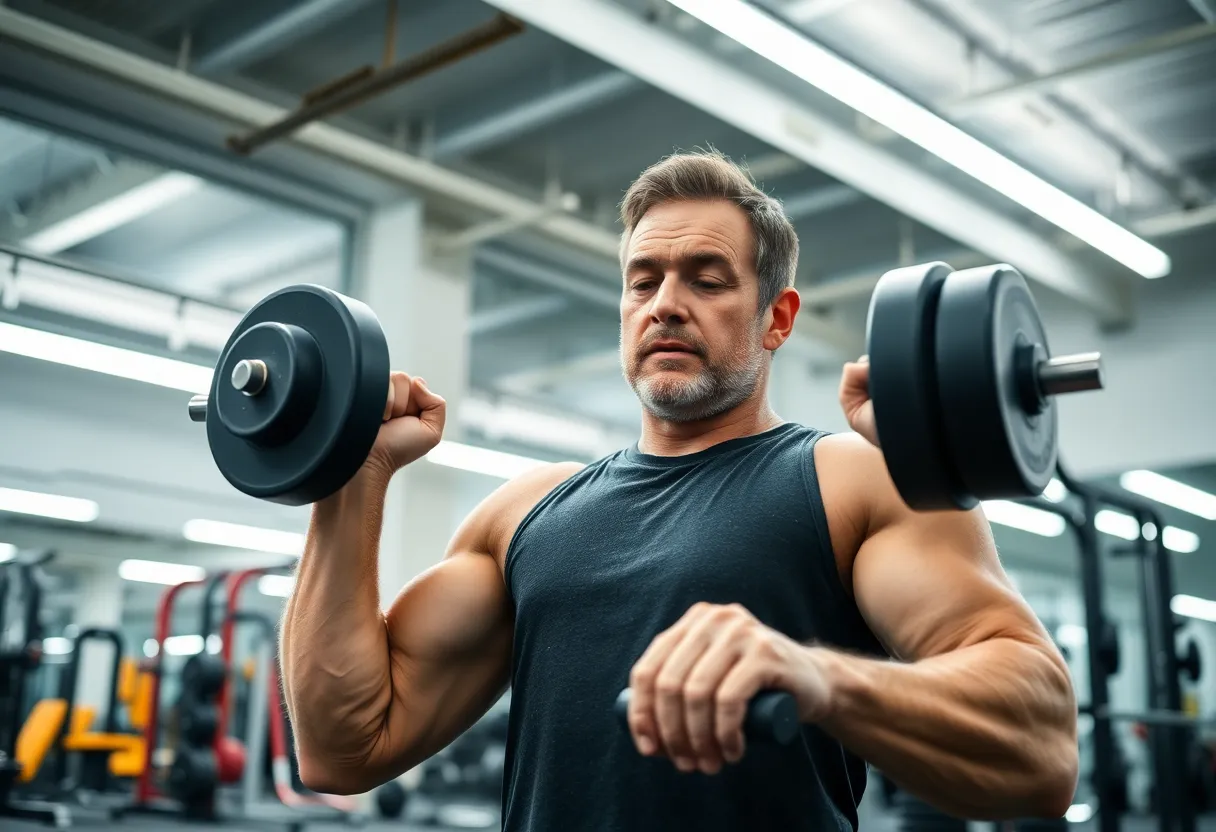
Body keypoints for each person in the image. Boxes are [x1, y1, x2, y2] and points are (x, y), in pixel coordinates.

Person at [279, 150, 1078, 830]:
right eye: (643, 280)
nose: (665, 303)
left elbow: (1041, 751)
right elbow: (343, 747)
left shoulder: (849, 479)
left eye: (707, 279)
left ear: (776, 318)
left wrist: (820, 677)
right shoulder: (525, 512)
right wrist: (350, 478)